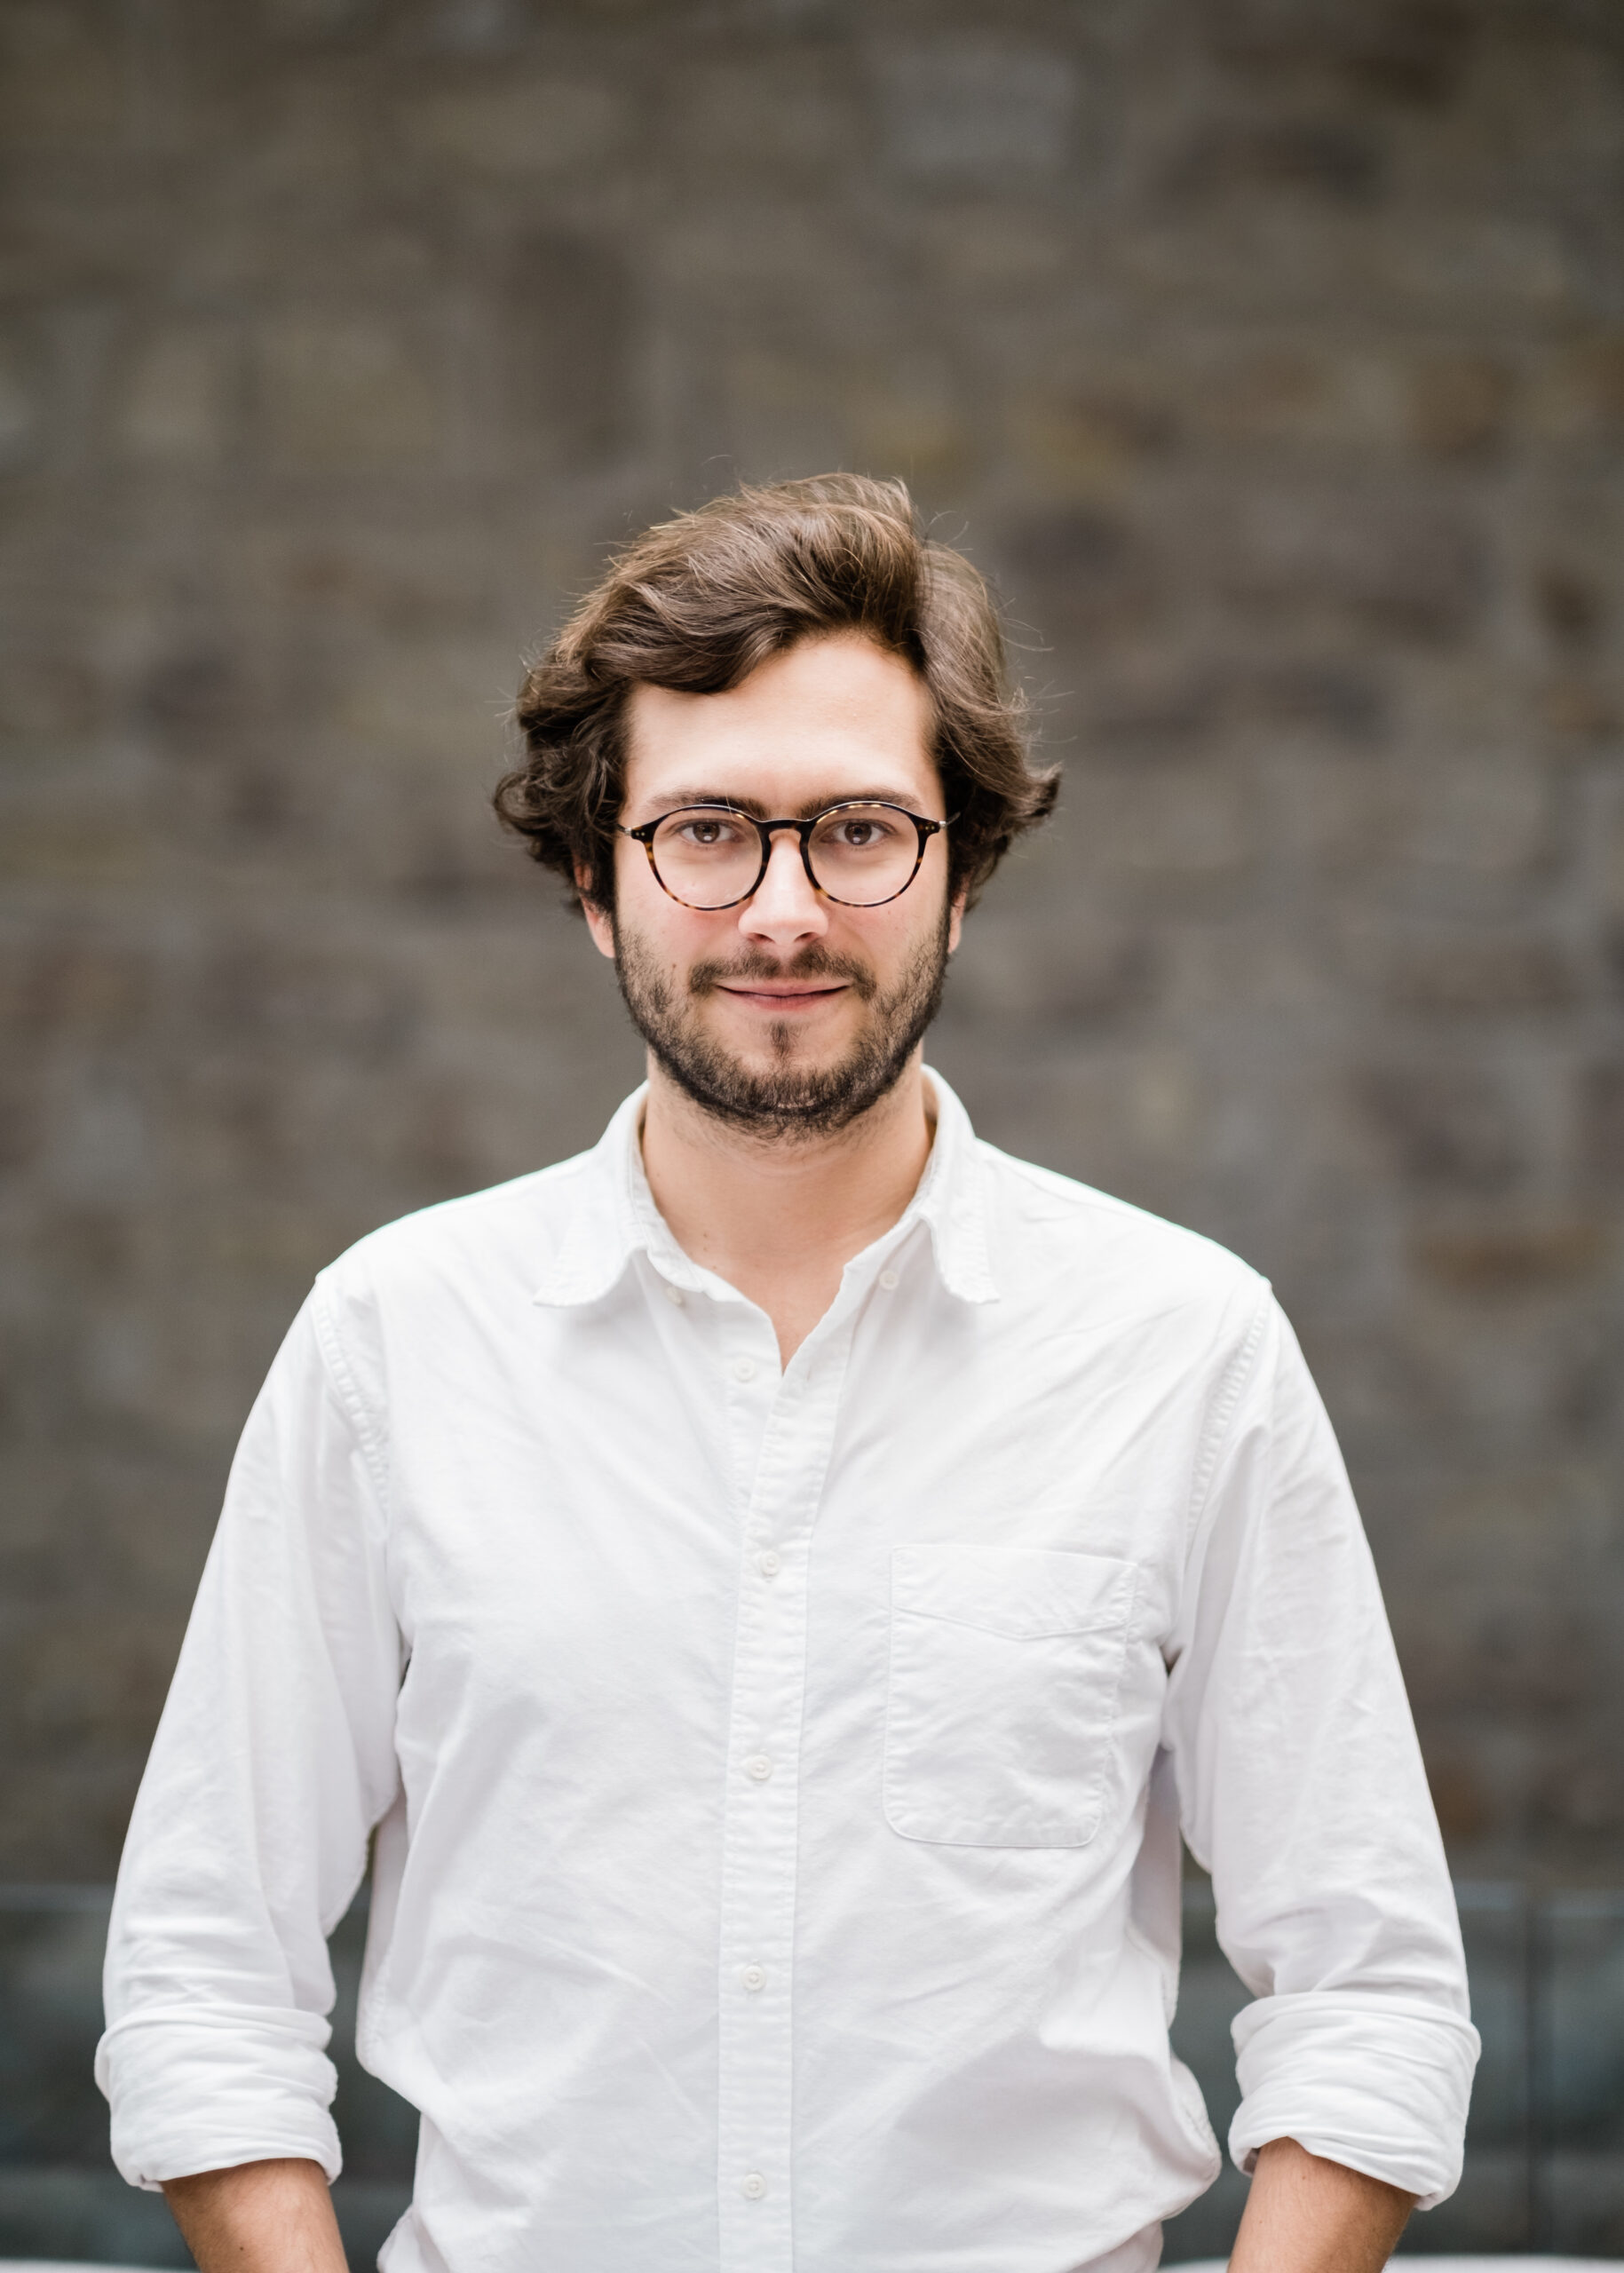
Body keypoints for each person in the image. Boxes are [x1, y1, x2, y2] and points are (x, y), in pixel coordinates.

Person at [99, 475, 1477, 2273]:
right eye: (705, 832)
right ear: (596, 882)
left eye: (857, 829)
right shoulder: (393, 1340)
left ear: (962, 873)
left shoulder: (1183, 1348)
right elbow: (209, 1966)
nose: (782, 909)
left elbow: (1369, 1989)